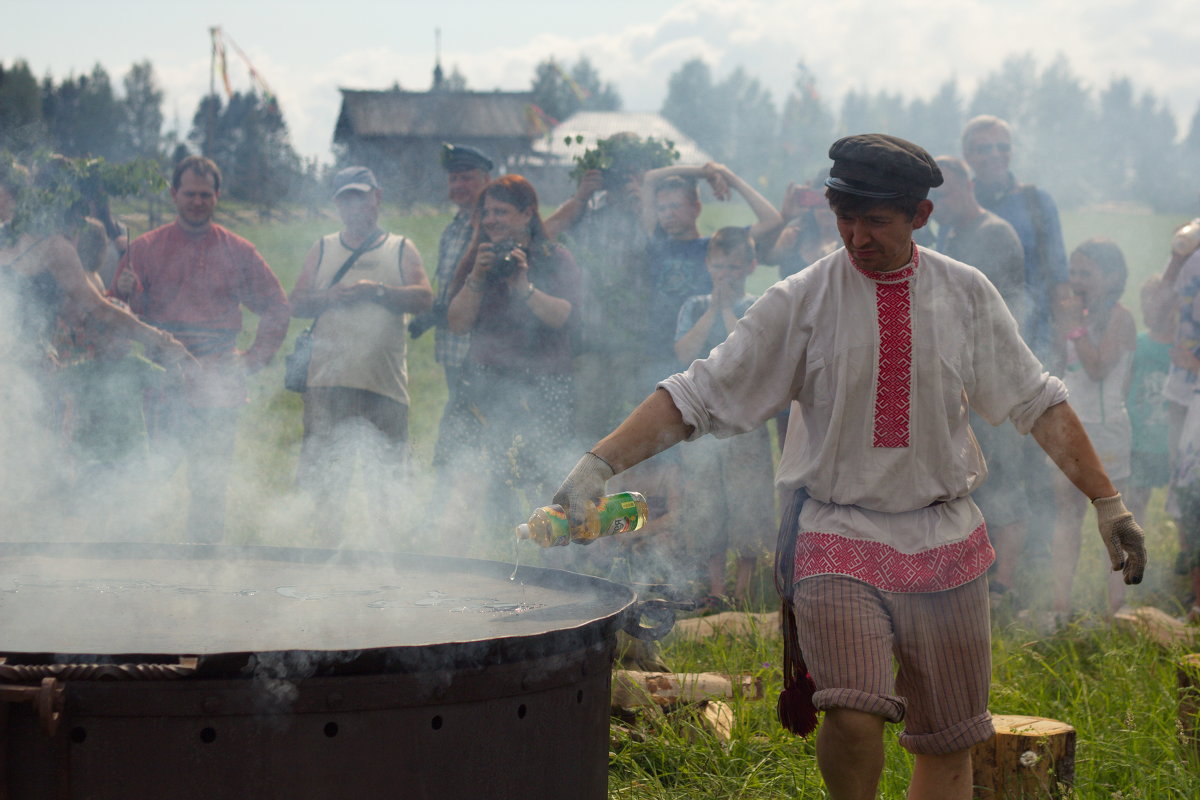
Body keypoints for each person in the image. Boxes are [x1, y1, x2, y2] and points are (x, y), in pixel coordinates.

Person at [550, 134, 1146, 800]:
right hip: (836, 532)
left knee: (950, 739)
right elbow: (699, 392)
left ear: (921, 216)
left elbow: (1039, 401)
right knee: (855, 715)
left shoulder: (966, 294)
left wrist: (1107, 502)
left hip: (946, 536)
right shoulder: (798, 300)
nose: (857, 238)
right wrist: (597, 465)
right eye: (845, 219)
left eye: (877, 222)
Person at [112, 155, 289, 542]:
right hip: (161, 381)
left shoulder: (239, 251)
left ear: (217, 196)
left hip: (219, 383)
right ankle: (140, 559)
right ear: (174, 194)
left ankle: (205, 566)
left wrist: (253, 360)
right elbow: (113, 316)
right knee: (150, 474)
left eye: (205, 195)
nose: (197, 201)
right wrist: (121, 295)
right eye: (190, 193)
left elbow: (277, 306)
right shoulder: (143, 249)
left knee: (210, 483)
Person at [289, 166, 432, 543]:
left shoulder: (400, 247)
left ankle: (387, 565)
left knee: (386, 487)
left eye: (360, 196)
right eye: (345, 198)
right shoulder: (322, 248)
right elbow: (296, 303)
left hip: (384, 387)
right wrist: (328, 298)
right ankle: (322, 558)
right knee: (324, 485)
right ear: (337, 204)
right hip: (325, 386)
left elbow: (423, 297)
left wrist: (378, 291)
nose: (354, 206)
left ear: (377, 197)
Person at [445, 175, 582, 543]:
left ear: (526, 214)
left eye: (501, 211)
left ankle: (549, 558)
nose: (490, 219)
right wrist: (476, 276)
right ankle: (499, 553)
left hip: (543, 385)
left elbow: (562, 315)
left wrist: (524, 287)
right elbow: (456, 324)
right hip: (488, 383)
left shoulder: (554, 258)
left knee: (544, 479)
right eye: (486, 212)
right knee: (489, 476)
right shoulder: (478, 259)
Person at [931, 155, 1030, 605]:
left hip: (993, 374)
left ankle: (1006, 584)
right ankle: (973, 577)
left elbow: (992, 313)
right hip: (961, 375)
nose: (938, 204)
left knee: (1005, 478)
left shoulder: (994, 234)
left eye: (946, 194)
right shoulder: (951, 232)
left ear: (968, 187)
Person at [674, 227, 776, 608]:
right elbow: (684, 350)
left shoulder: (757, 305)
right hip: (703, 417)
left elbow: (747, 352)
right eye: (719, 266)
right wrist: (714, 309)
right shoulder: (693, 305)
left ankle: (744, 589)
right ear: (708, 264)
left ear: (750, 266)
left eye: (734, 267)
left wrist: (729, 309)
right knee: (707, 500)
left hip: (746, 419)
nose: (725, 274)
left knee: (748, 498)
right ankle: (717, 590)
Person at [1050, 239, 1136, 621]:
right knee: (1066, 517)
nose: (1077, 280)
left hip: (1106, 433)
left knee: (1113, 520)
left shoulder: (1120, 317)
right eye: (1074, 272)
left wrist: (1074, 329)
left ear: (1112, 277)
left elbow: (1099, 369)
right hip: (1071, 429)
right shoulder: (1074, 317)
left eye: (1086, 273)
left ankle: (1117, 609)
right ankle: (1060, 608)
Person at [639, 161, 782, 388]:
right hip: (659, 352)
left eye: (675, 206)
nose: (668, 214)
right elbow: (650, 178)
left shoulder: (714, 248)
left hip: (702, 351)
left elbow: (772, 220)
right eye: (662, 208)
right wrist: (704, 173)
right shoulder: (658, 244)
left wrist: (728, 176)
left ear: (696, 208)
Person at [413, 144, 493, 483]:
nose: (459, 185)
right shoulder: (453, 228)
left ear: (486, 179)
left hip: (480, 348)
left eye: (467, 178)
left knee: (468, 427)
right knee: (464, 424)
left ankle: (450, 499)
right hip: (452, 349)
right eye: (454, 178)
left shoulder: (491, 225)